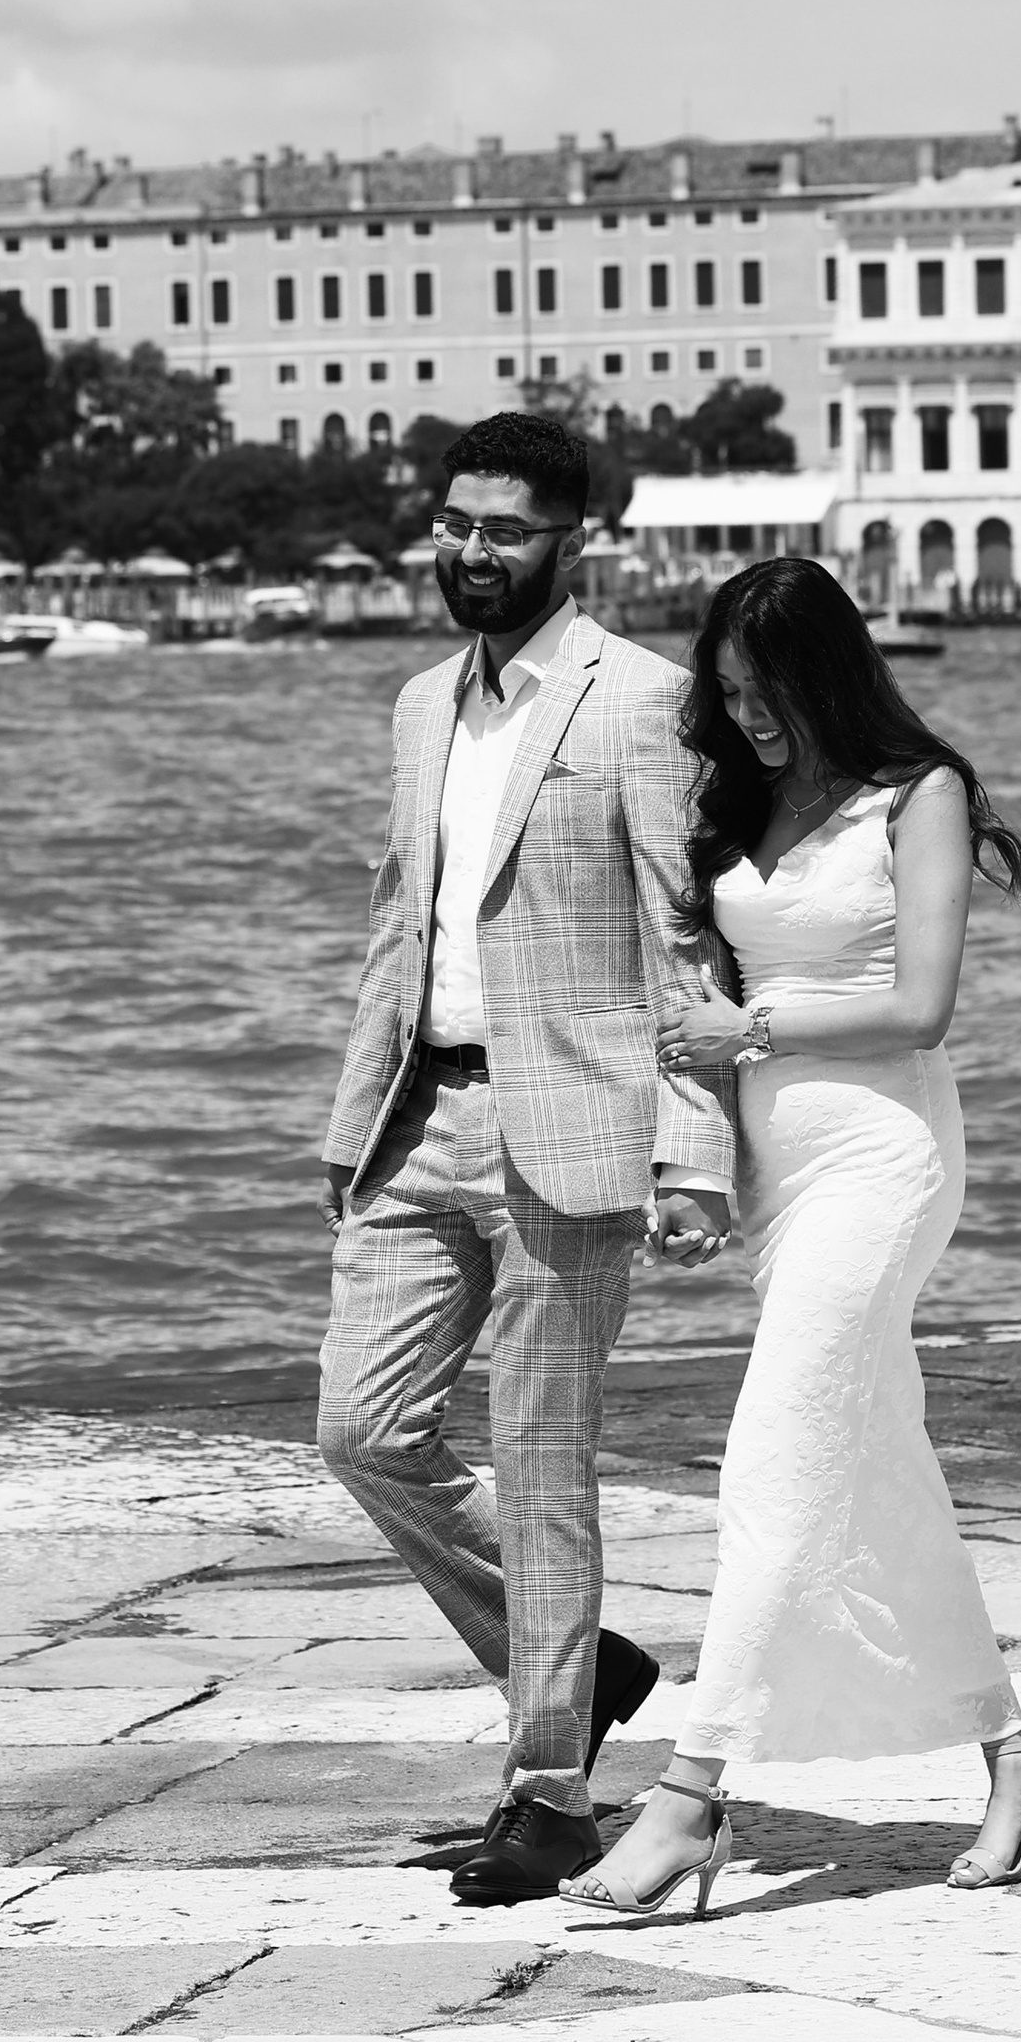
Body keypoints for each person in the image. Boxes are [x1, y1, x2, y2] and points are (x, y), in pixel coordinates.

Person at [567, 556, 1021, 1922]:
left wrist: (756, 1031)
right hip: (783, 1175)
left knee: (772, 1456)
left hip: (887, 1157)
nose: (749, 720)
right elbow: (691, 997)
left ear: (827, 673)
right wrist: (697, 1162)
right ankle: (1017, 1761)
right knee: (882, 1470)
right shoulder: (743, 798)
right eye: (727, 696)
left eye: (768, 692)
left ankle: (690, 1797)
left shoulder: (923, 795)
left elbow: (922, 1006)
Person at [315, 411, 735, 1907]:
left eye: (503, 530)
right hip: (420, 1116)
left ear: (573, 544)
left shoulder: (643, 703)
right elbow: (396, 920)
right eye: (453, 523)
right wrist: (353, 1117)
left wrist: (696, 1149)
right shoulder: (422, 703)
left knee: (546, 1462)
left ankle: (550, 1789)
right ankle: (580, 1663)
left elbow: (685, 939)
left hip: (578, 1127)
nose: (469, 551)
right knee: (361, 1429)